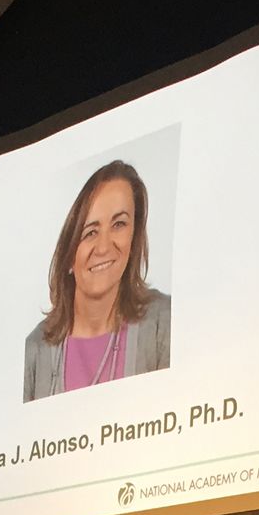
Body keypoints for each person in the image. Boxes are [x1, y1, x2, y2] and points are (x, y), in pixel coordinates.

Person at [24, 159, 171, 402]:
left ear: (134, 238)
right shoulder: (35, 350)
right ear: (69, 253)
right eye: (90, 232)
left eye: (119, 224)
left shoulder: (163, 323)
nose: (103, 247)